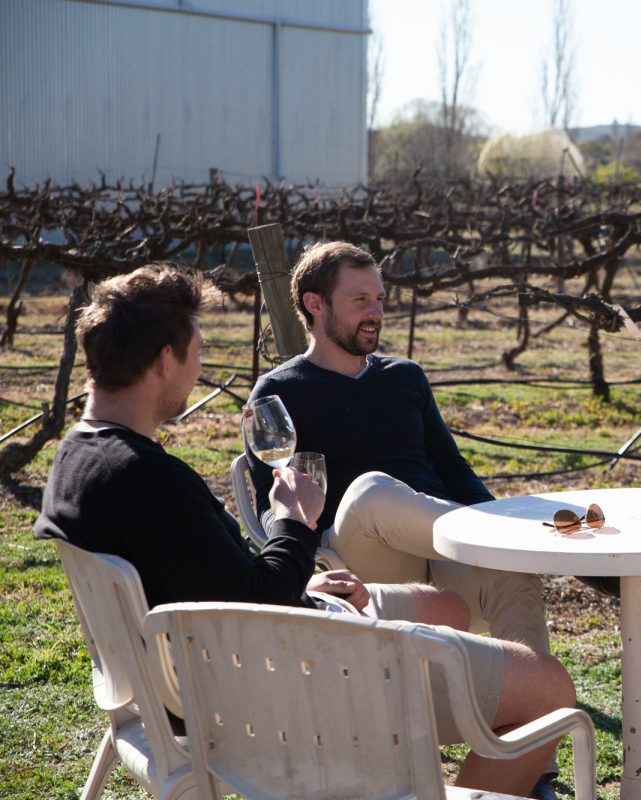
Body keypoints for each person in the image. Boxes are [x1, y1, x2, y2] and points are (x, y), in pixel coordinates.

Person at [35, 265, 573, 797]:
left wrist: (310, 586)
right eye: (198, 350)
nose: (199, 367)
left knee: (447, 607)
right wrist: (294, 523)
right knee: (549, 687)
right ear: (163, 361)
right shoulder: (147, 480)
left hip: (227, 660)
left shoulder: (79, 459)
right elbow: (258, 598)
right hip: (292, 681)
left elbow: (230, 584)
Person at [246, 241, 561, 797]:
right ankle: (514, 539)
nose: (376, 312)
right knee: (371, 492)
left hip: (439, 545)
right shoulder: (280, 391)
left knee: (513, 574)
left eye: (381, 299)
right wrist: (307, 561)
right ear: (315, 304)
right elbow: (274, 499)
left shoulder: (405, 377)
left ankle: (528, 766)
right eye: (360, 299)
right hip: (360, 557)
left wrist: (495, 520)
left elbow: (453, 470)